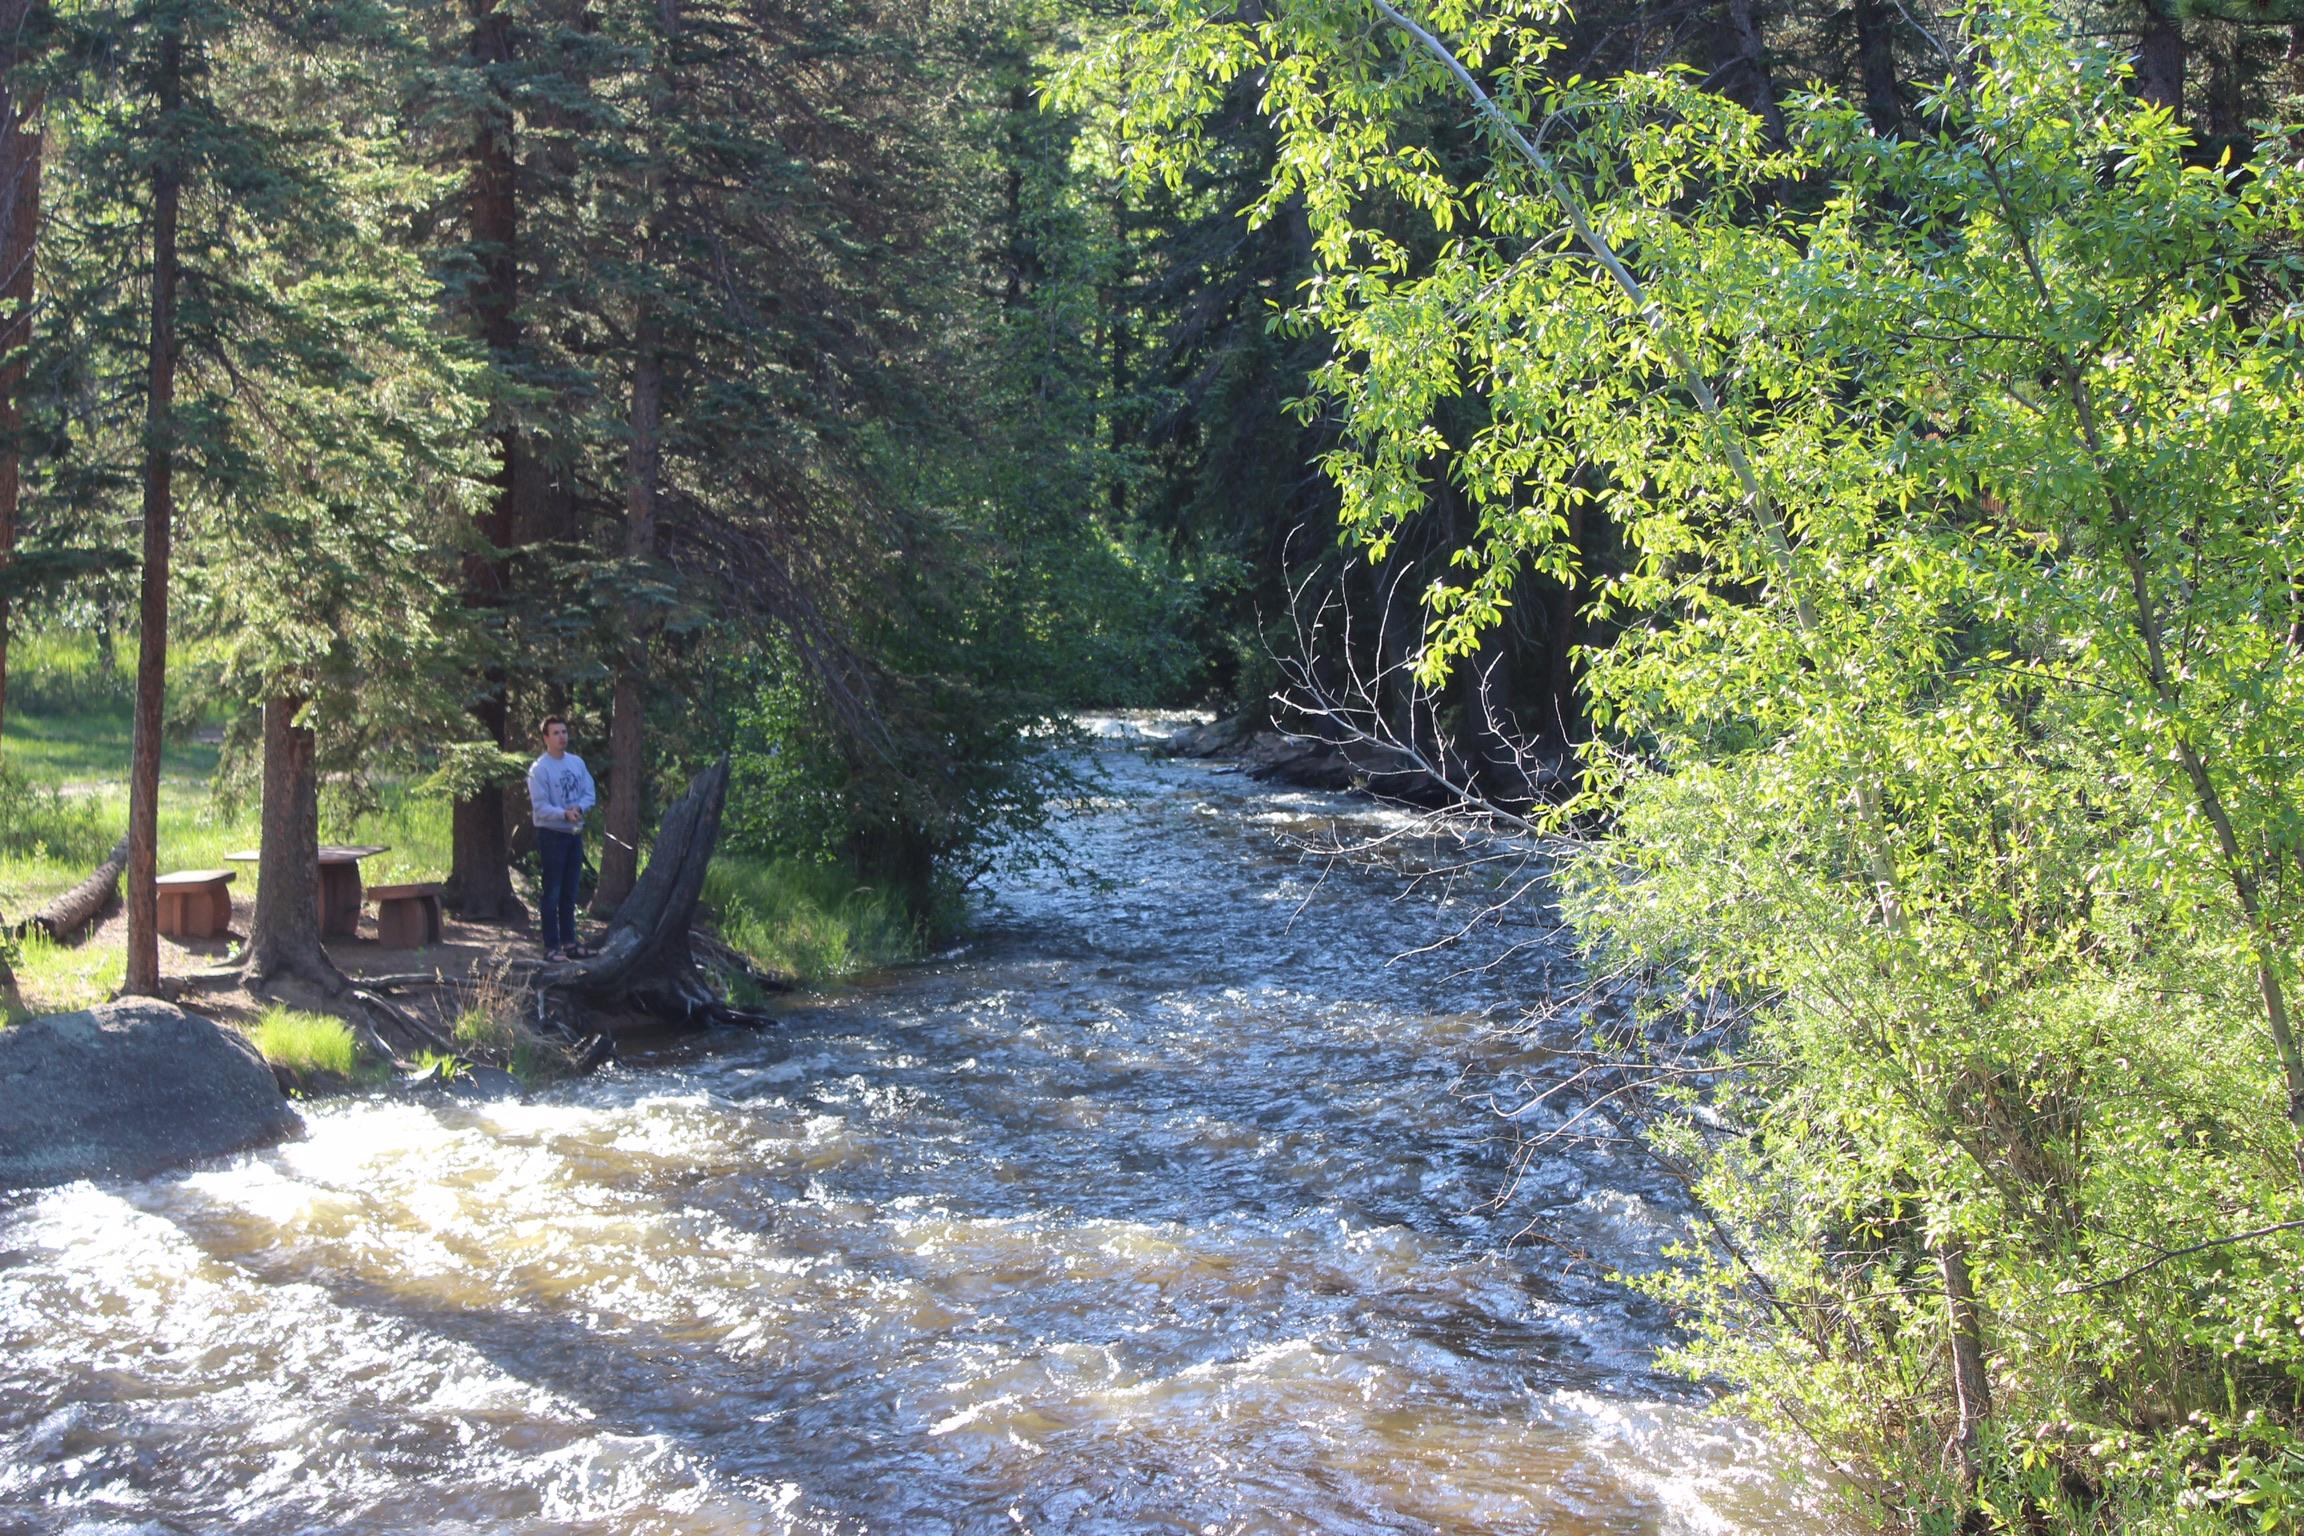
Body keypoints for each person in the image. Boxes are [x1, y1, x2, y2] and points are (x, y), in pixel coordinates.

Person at [528, 716, 596, 960]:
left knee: (570, 891)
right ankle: (551, 946)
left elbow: (590, 793)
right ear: (546, 738)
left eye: (564, 732)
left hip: (574, 835)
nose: (562, 737)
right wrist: (563, 814)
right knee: (552, 891)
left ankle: (569, 942)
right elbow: (540, 807)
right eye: (556, 733)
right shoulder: (539, 769)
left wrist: (579, 808)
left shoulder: (577, 763)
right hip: (552, 836)